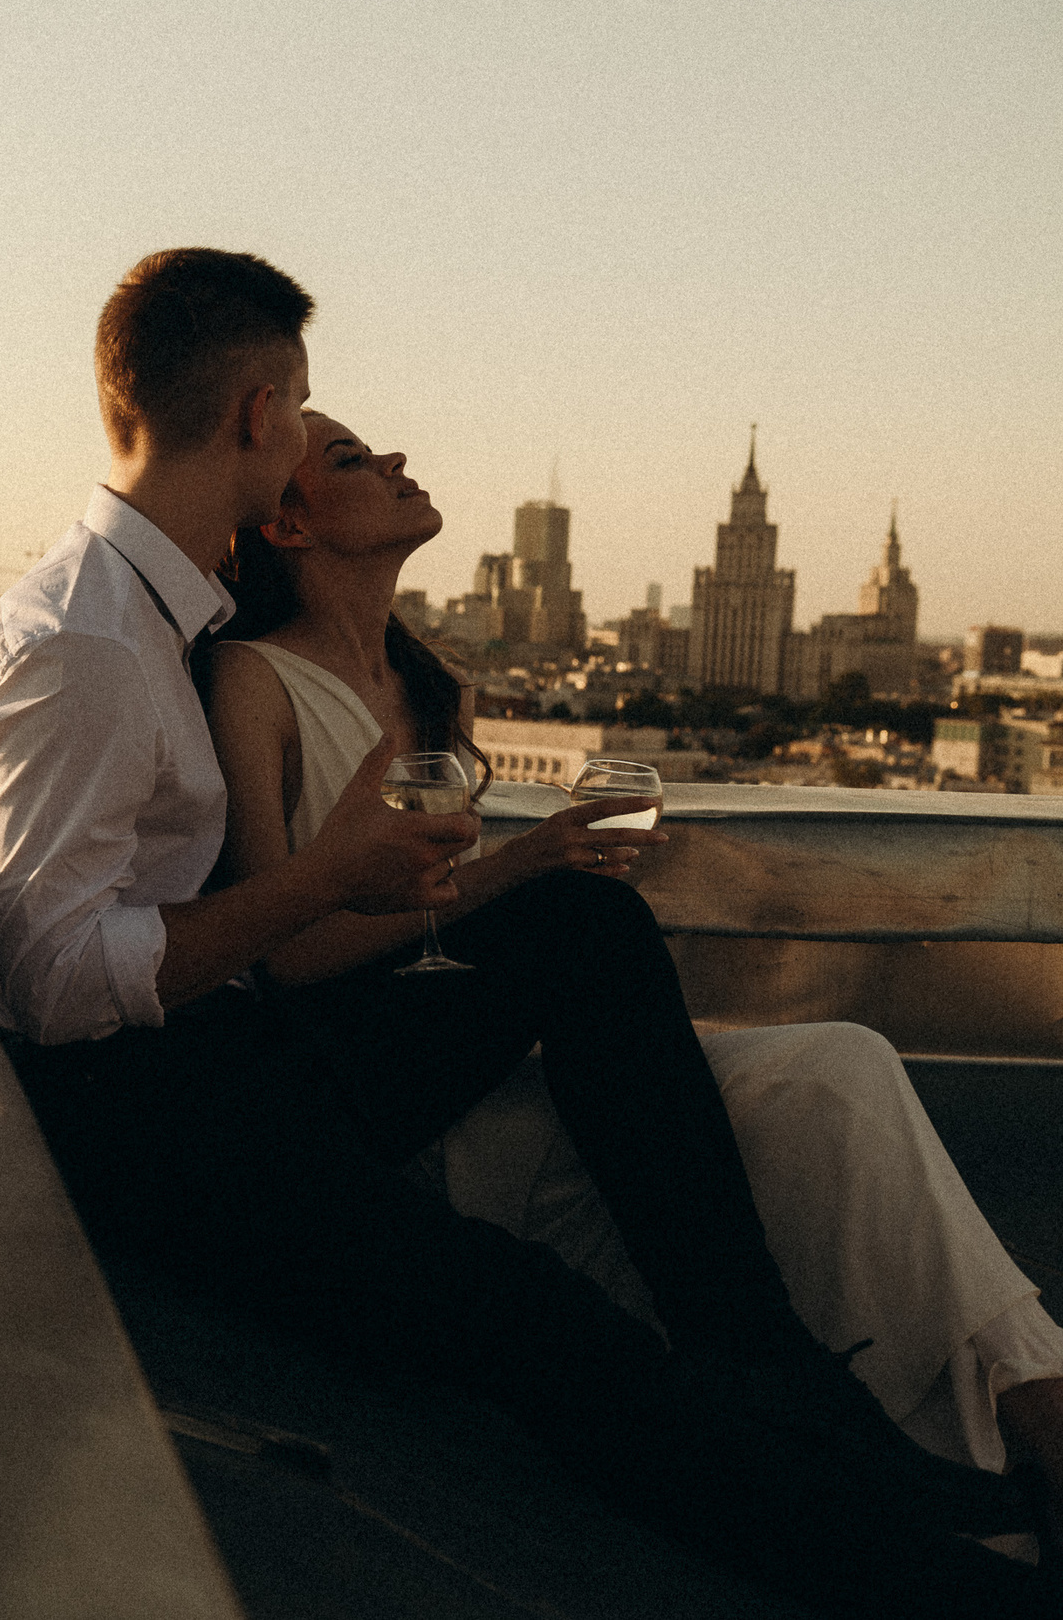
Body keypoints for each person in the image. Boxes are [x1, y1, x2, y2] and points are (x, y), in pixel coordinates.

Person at [0, 247, 1055, 1615]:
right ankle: (922, 1576)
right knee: (535, 1329)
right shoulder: (89, 644)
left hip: (229, 1061)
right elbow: (60, 987)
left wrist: (405, 878)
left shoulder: (157, 616)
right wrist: (324, 876)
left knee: (576, 924)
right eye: (309, 413)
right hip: (159, 1126)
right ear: (257, 415)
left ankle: (779, 1378)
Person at [201, 406, 1063, 1539]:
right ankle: (856, 1423)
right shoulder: (251, 681)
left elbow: (445, 903)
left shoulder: (437, 688)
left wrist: (526, 871)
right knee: (610, 947)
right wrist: (527, 864)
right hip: (411, 1094)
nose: (399, 459)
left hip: (510, 1042)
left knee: (841, 1064)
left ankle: (1007, 1421)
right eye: (353, 459)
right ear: (288, 522)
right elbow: (280, 957)